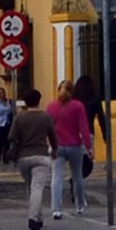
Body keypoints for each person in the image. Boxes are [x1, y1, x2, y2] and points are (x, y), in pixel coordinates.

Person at [3, 88, 57, 230]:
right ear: (39, 100)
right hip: (41, 156)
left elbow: (11, 137)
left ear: (25, 102)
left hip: (23, 158)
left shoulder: (19, 118)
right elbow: (52, 136)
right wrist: (55, 151)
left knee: (31, 188)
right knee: (37, 188)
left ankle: (38, 217)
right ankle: (33, 218)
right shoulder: (46, 117)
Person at [46, 79, 93, 216]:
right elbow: (84, 129)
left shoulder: (50, 107)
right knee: (77, 176)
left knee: (56, 177)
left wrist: (48, 144)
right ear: (72, 92)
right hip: (74, 146)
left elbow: (47, 129)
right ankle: (79, 205)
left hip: (56, 146)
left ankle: (56, 209)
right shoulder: (78, 106)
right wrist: (89, 148)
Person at [72, 73, 110, 149]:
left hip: (73, 133)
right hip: (89, 132)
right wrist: (105, 135)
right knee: (89, 158)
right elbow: (101, 118)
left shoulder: (73, 98)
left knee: (76, 159)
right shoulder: (95, 98)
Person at [0, 88, 15, 163]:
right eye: (0, 93)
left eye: (3, 93)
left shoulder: (8, 103)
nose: (2, 94)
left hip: (7, 123)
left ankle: (6, 157)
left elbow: (11, 112)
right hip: (0, 124)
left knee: (7, 141)